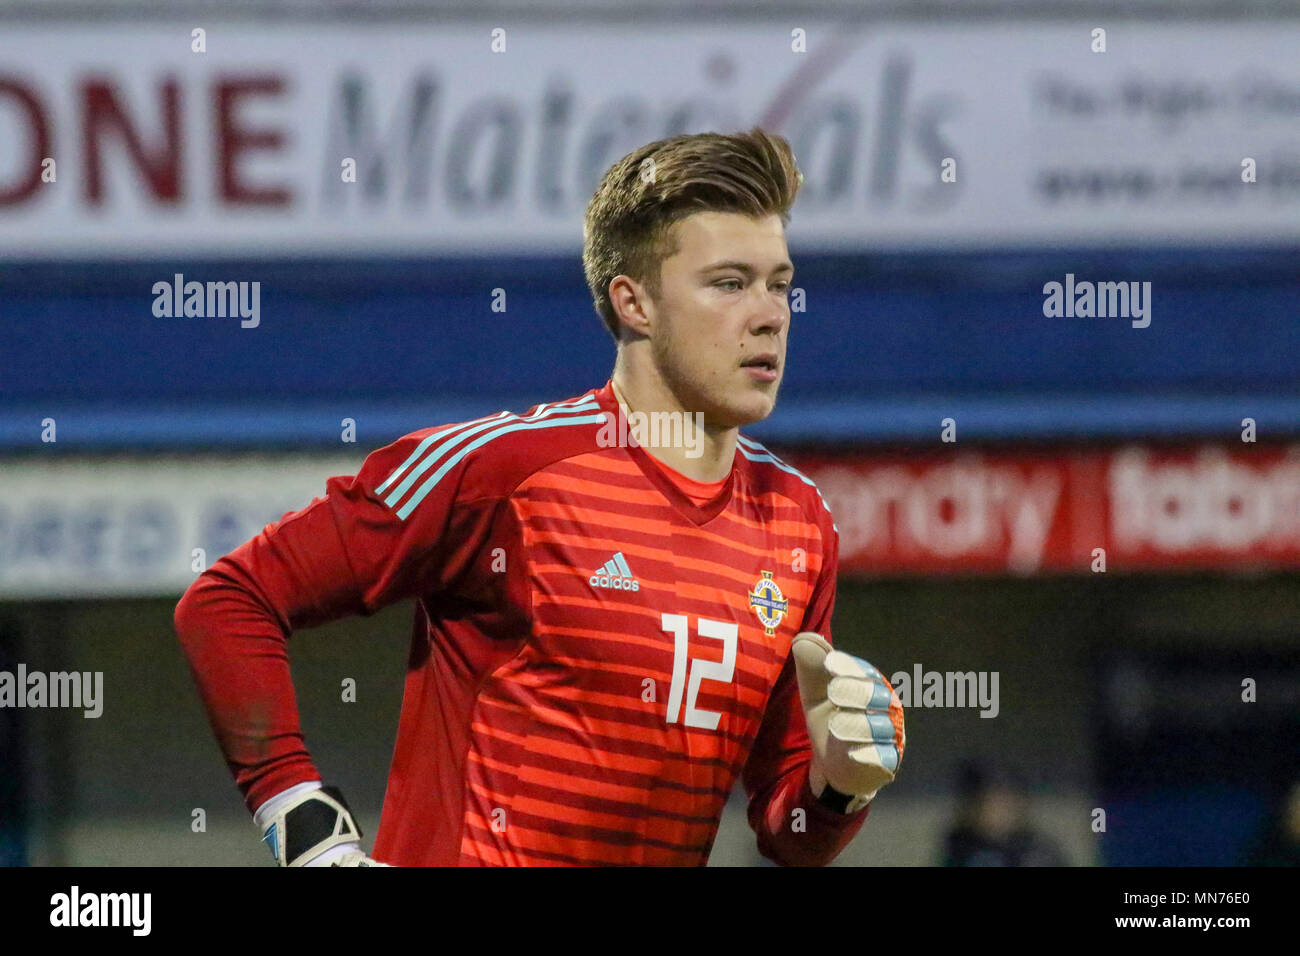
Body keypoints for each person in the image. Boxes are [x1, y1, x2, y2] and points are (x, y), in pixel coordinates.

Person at [174, 127, 905, 867]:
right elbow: (230, 600)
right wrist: (305, 826)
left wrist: (838, 786)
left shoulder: (798, 522)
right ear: (635, 303)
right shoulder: (507, 472)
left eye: (779, 283)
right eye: (728, 283)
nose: (771, 313)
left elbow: (788, 839)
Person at [941, 761, 1066, 866]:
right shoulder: (958, 850)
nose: (1000, 810)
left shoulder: (1039, 853)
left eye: (1006, 802)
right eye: (990, 802)